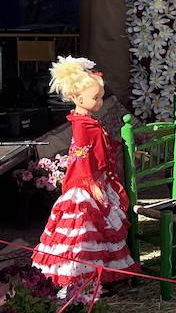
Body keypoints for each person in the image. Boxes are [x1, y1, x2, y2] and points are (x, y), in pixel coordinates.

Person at [32, 56, 140, 294]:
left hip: (94, 181)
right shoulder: (82, 126)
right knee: (84, 232)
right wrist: (92, 183)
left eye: (101, 97)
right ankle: (82, 277)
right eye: (96, 98)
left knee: (97, 231)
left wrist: (117, 148)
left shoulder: (89, 122)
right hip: (86, 185)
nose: (100, 102)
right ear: (77, 99)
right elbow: (83, 158)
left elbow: (100, 147)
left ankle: (98, 276)